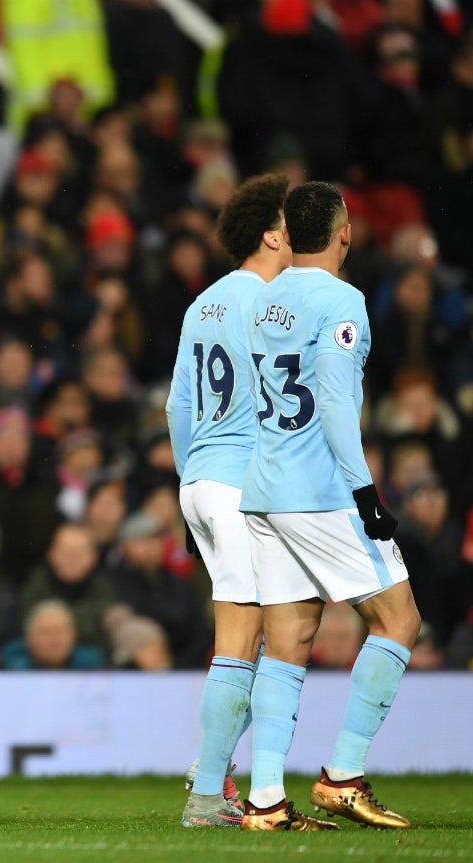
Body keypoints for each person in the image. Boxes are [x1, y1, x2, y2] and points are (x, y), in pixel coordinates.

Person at [239, 181, 421, 831]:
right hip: (319, 492)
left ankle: (264, 800)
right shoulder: (342, 299)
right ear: (344, 231)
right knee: (399, 619)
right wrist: (366, 491)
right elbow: (337, 399)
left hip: (264, 490)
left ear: (288, 235)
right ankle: (343, 774)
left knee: (287, 641)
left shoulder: (267, 299)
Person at [165, 173, 292, 828]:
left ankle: (212, 766)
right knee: (244, 639)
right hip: (245, 482)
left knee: (262, 634)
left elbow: (176, 405)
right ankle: (208, 788)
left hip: (201, 482)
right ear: (272, 235)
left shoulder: (204, 303)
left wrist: (193, 484)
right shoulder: (275, 306)